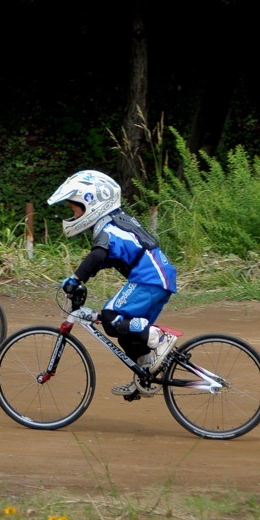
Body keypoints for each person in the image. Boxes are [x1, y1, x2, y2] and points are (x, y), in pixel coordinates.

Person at [47, 170, 179, 397]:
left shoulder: (108, 229)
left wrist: (76, 279)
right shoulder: (114, 222)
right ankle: (144, 374)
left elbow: (98, 256)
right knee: (126, 332)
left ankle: (159, 336)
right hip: (156, 277)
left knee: (110, 317)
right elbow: (107, 258)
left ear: (91, 204)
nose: (73, 214)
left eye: (74, 208)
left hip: (150, 278)